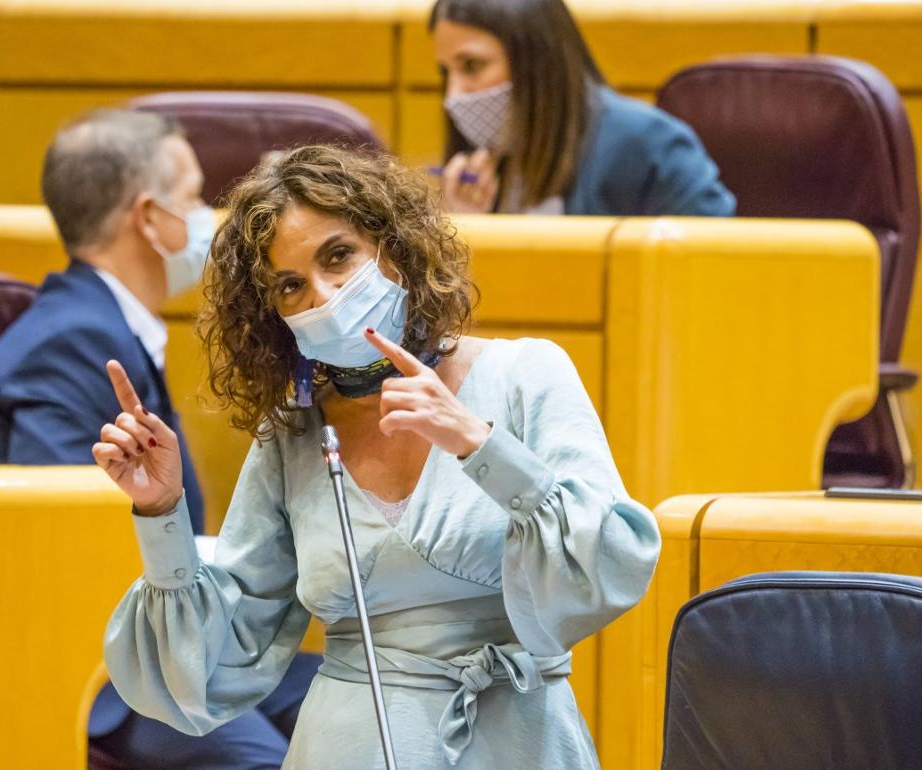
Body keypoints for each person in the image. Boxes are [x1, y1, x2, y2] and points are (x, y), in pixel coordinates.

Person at [97, 144, 662, 769]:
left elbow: (612, 561)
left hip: (523, 740)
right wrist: (162, 512)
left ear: (394, 246)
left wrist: (479, 445)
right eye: (291, 286)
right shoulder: (292, 433)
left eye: (338, 255)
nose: (324, 296)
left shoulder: (526, 373)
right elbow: (217, 661)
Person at [0, 109, 318, 769]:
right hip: (97, 670)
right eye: (194, 198)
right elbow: (66, 554)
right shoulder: (74, 338)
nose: (207, 220)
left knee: (354, 698)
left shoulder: (101, 324)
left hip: (172, 636)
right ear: (149, 217)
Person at [430, 0, 735, 218]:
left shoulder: (648, 142)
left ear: (537, 61)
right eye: (445, 72)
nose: (453, 94)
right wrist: (464, 235)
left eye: (472, 66)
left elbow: (715, 266)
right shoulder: (478, 170)